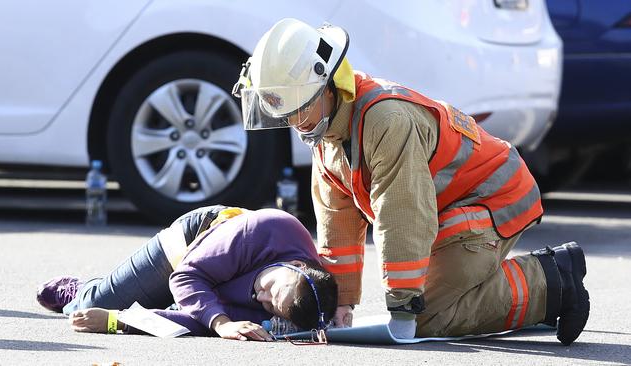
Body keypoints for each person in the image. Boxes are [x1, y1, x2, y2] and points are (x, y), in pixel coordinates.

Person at [232, 18, 589, 345]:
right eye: (284, 109)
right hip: (455, 210)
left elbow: (403, 212)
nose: (294, 120)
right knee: (432, 303)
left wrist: (403, 304)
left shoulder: (385, 119)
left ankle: (551, 281)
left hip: (494, 199)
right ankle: (528, 283)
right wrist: (340, 306)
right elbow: (337, 226)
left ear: (328, 87)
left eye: (299, 105)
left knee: (430, 314)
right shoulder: (326, 135)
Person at [36, 206, 338, 341]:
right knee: (89, 304)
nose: (262, 297)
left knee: (102, 315)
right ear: (296, 267)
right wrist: (221, 322)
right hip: (190, 246)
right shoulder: (269, 228)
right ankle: (80, 288)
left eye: (272, 306)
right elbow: (186, 277)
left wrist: (118, 322)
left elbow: (195, 323)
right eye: (272, 289)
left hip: (209, 287)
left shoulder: (286, 311)